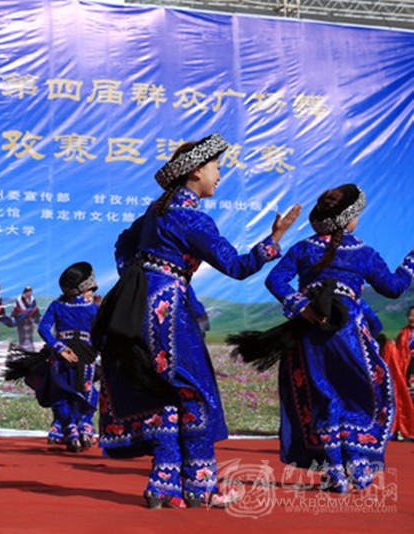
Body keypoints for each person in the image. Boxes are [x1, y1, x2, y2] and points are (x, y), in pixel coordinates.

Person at [96, 133, 300, 508]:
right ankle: (199, 485)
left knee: (161, 391)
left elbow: (123, 244)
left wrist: (138, 277)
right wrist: (273, 241)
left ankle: (163, 483)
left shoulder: (156, 213)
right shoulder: (192, 219)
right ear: (195, 172)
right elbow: (237, 266)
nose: (219, 175)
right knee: (196, 393)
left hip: (138, 307)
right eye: (216, 167)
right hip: (169, 309)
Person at [267, 184, 414, 492]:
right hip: (348, 331)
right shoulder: (362, 252)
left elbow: (275, 279)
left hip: (309, 331)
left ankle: (334, 469)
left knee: (323, 396)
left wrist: (301, 305)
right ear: (350, 218)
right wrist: (411, 261)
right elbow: (394, 287)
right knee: (360, 393)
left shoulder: (304, 248)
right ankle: (357, 464)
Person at [11, 263, 99, 452]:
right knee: (85, 391)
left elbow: (43, 328)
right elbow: (101, 334)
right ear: (84, 286)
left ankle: (69, 429)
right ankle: (84, 425)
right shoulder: (93, 309)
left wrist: (59, 347)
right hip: (84, 355)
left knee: (60, 394)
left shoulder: (57, 306)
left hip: (60, 355)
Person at [381, 305, 414, 440]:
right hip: (407, 368)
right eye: (410, 315)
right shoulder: (403, 333)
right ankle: (400, 428)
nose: (412, 318)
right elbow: (400, 355)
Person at [12, 286, 41, 351]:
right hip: (21, 318)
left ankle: (31, 346)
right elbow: (16, 309)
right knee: (21, 332)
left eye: (30, 292)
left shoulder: (32, 299)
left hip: (30, 318)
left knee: (30, 332)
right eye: (28, 292)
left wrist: (36, 317)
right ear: (25, 292)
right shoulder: (19, 299)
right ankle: (22, 346)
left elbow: (35, 308)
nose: (29, 293)